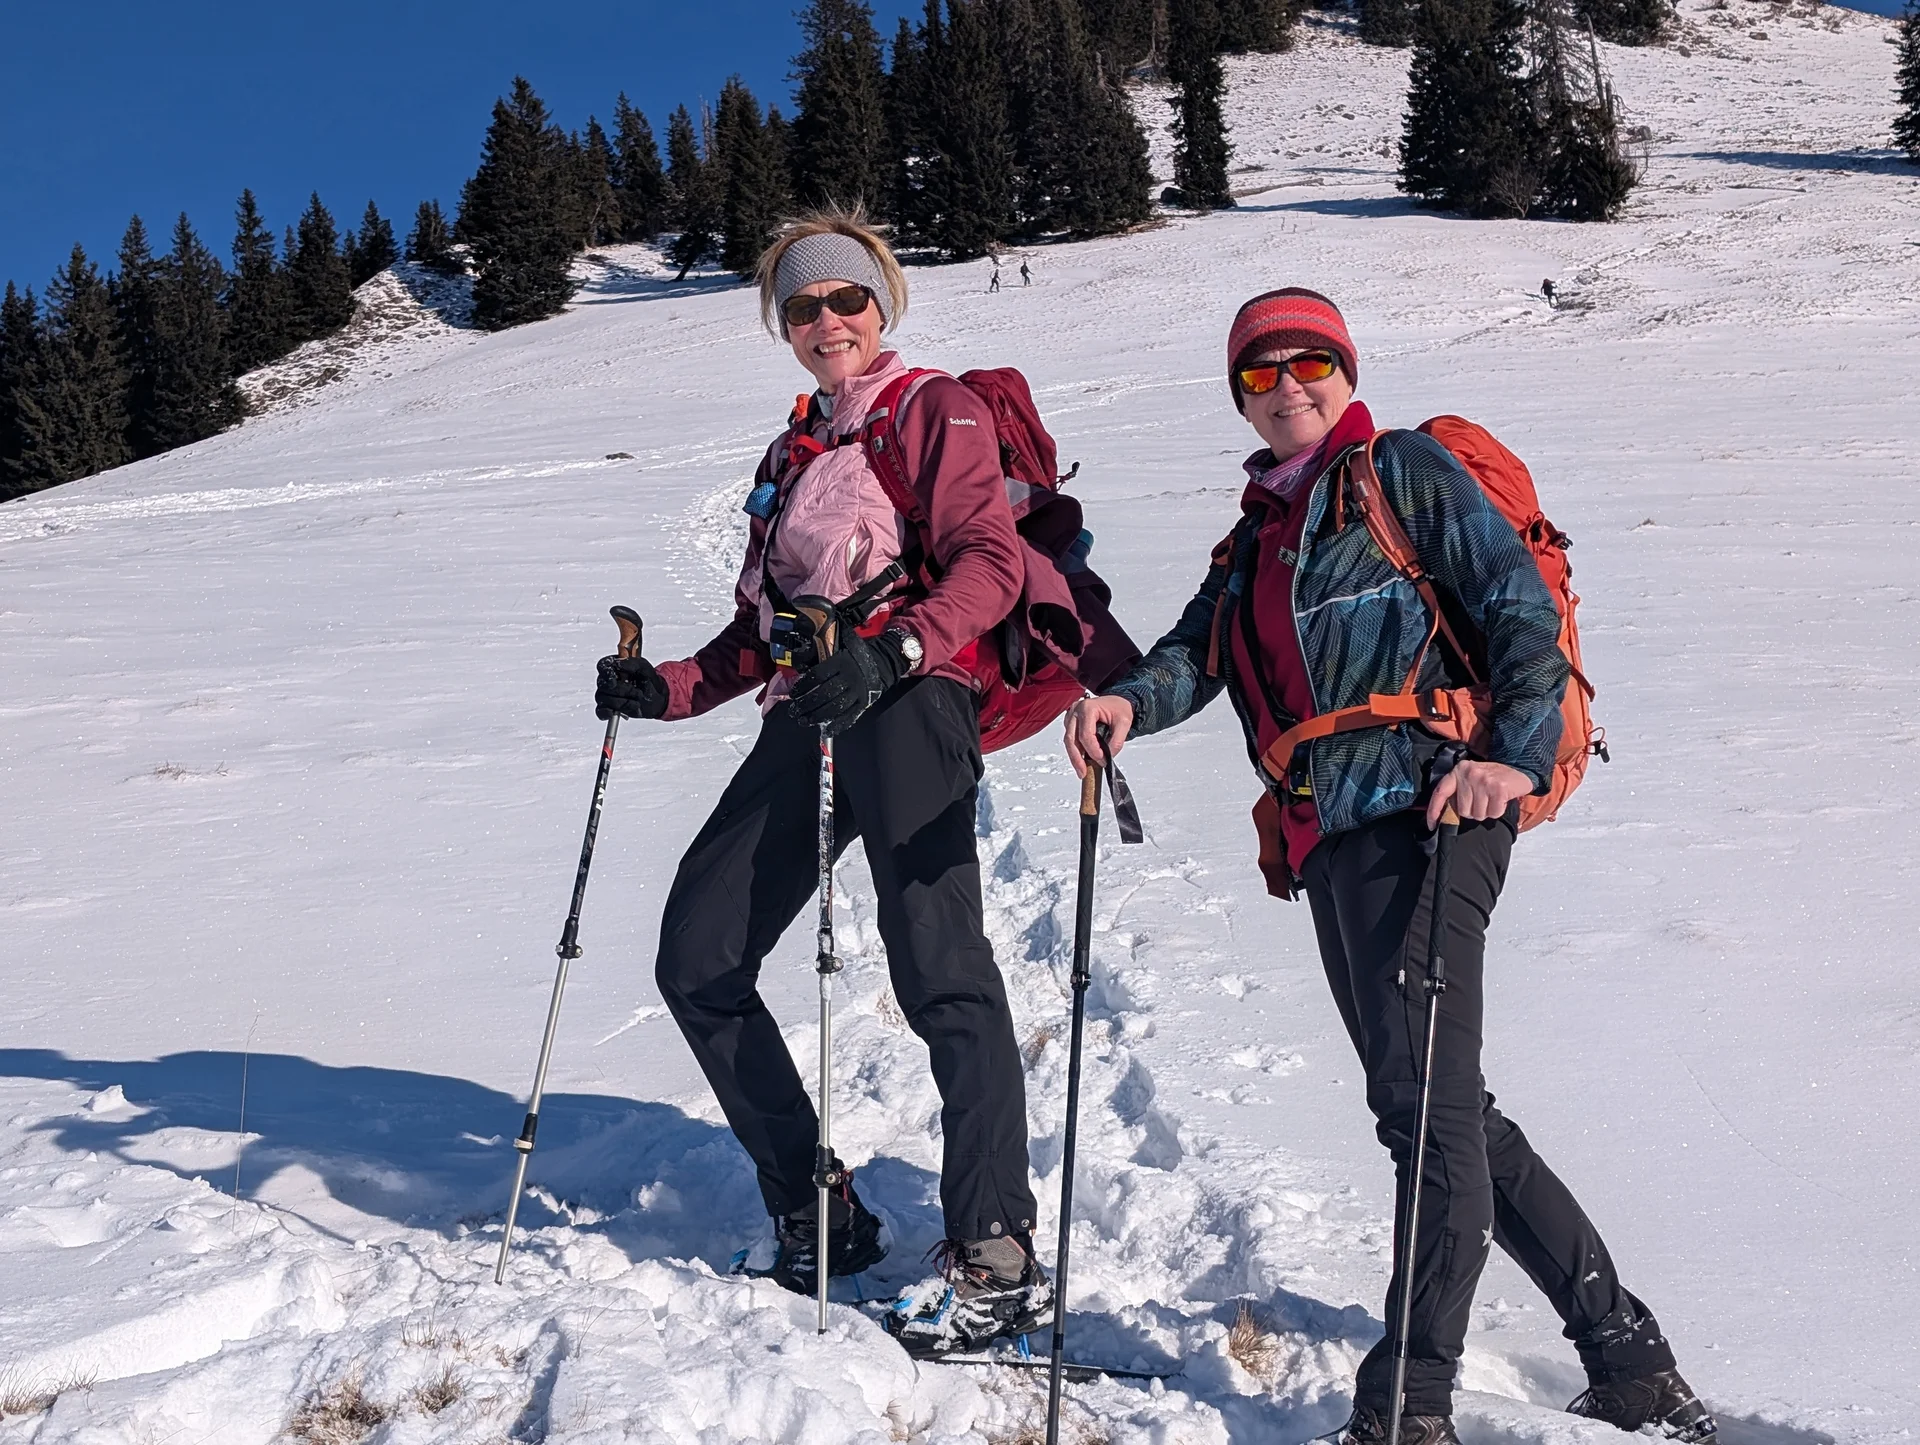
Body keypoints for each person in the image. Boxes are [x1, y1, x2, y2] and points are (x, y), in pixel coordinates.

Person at [1062, 289, 1717, 1445]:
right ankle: (1629, 1358)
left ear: (1345, 367)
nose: (1287, 387)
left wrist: (1509, 762)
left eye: (1308, 362)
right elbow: (1193, 654)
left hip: (1435, 806)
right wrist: (1124, 699)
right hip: (1329, 836)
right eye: (1260, 375)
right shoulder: (1259, 531)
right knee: (1437, 1102)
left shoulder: (1399, 472)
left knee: (1422, 1109)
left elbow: (1516, 612)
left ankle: (1408, 1405)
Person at [593, 208, 1051, 1357]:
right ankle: (819, 1209)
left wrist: (898, 652)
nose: (826, 319)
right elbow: (759, 637)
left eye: (846, 297)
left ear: (880, 303)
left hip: (911, 697)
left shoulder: (929, 406)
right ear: (782, 323)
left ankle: (994, 1249)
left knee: (940, 964)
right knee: (698, 955)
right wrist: (667, 687)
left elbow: (991, 563)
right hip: (811, 710)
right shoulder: (793, 451)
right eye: (802, 304)